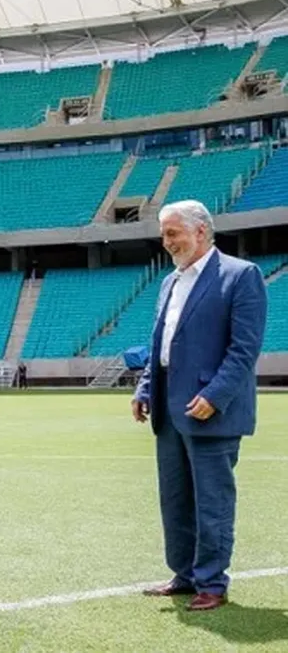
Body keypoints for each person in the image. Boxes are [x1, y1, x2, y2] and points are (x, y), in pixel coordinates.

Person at [132, 200, 267, 611]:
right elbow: (163, 346)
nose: (167, 242)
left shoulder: (240, 275)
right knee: (175, 499)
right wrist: (144, 387)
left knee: (213, 502)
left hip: (212, 410)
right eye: (164, 234)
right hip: (169, 409)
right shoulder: (169, 282)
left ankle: (212, 582)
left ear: (201, 232)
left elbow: (244, 349)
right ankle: (185, 574)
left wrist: (215, 395)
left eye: (173, 233)